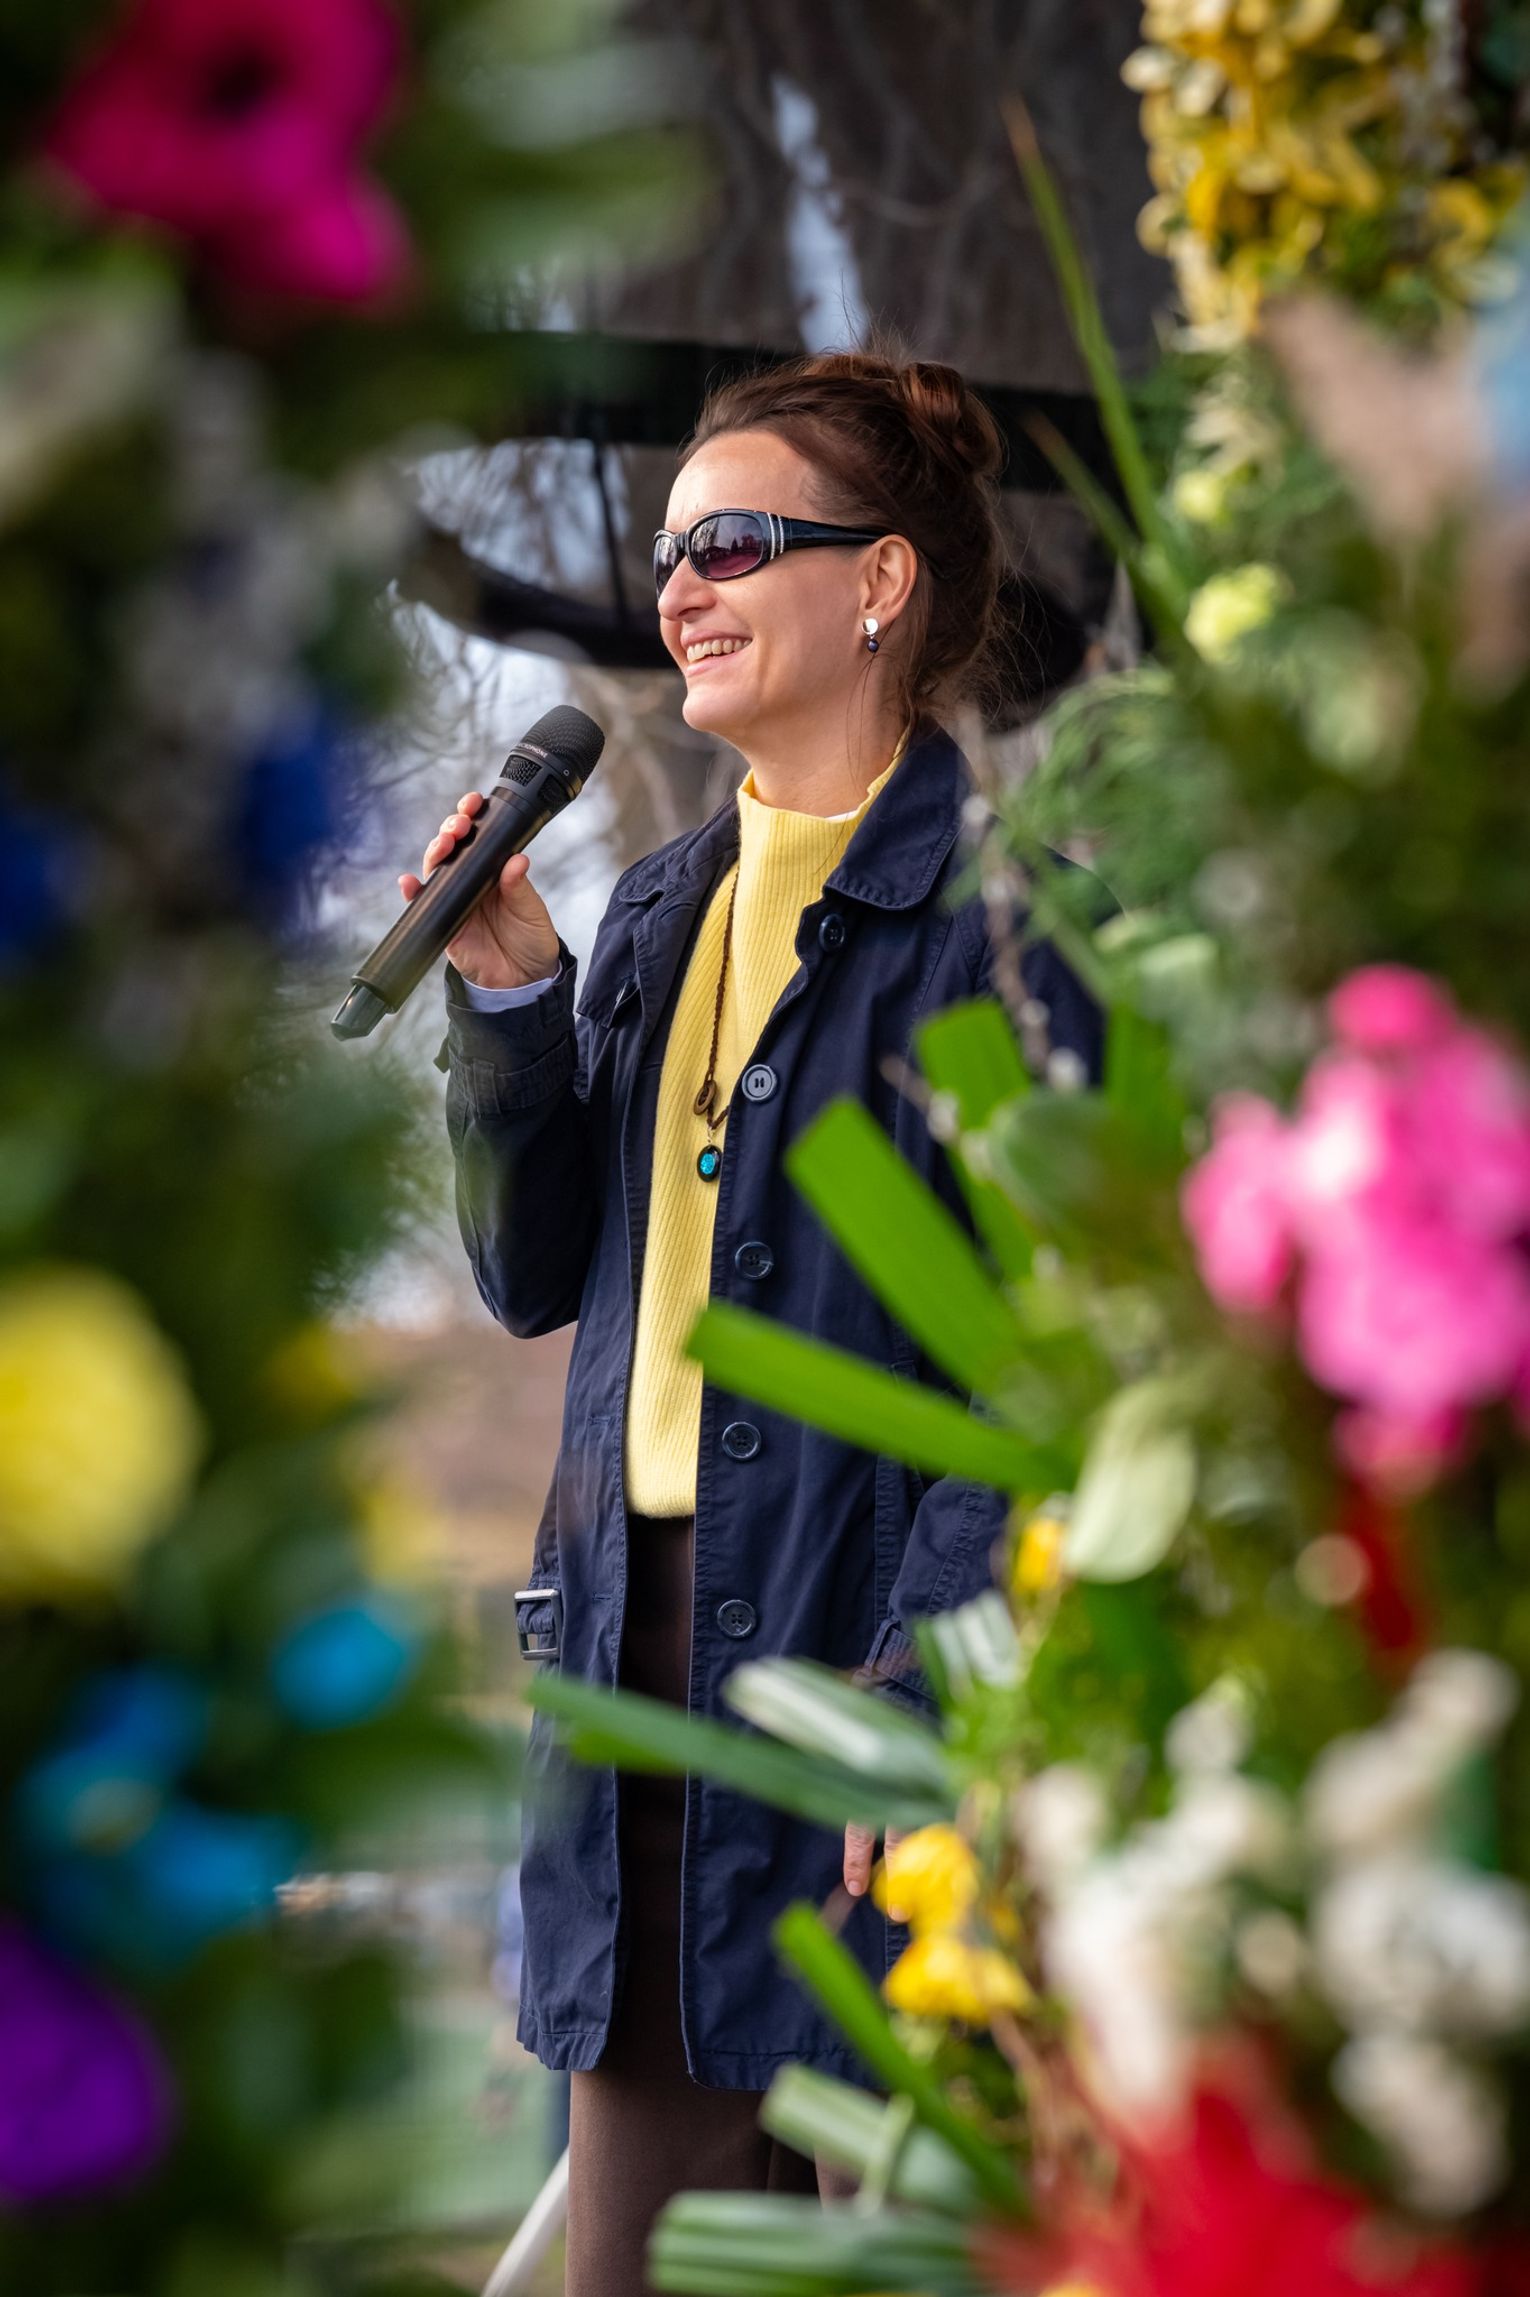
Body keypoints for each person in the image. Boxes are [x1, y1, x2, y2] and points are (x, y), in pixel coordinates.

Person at [402, 348, 1103, 2297]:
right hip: (632, 1694)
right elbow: (535, 1277)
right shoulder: (656, 914)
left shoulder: (1010, 927)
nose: (677, 590)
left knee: (905, 2244)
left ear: (877, 580)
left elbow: (1051, 1361)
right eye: (664, 554)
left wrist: (929, 1689)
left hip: (867, 1683)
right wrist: (511, 1006)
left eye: (728, 544)